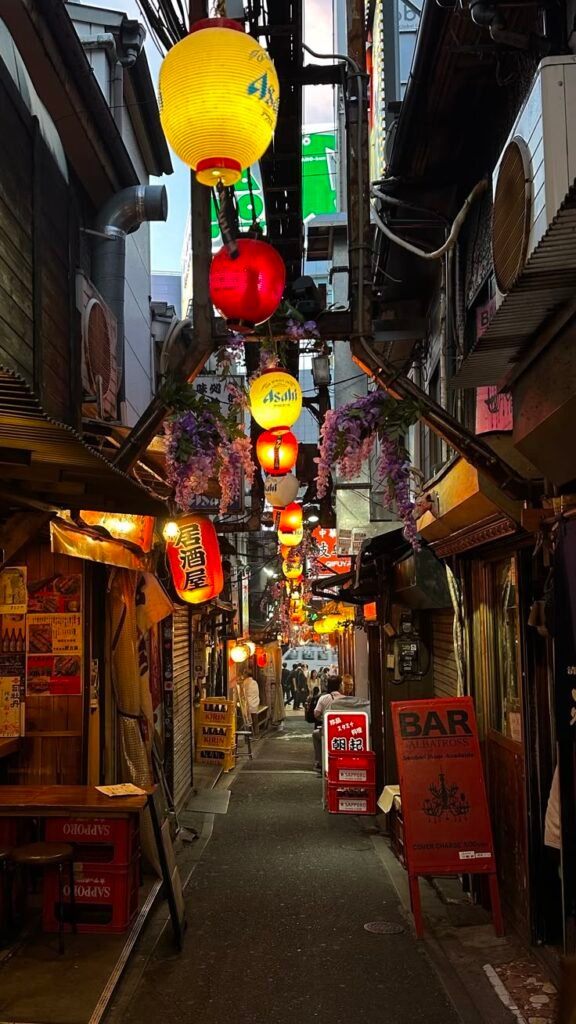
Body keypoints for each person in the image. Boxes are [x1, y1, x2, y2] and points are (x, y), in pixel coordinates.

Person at [312, 676, 342, 771]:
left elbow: (316, 714)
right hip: (342, 730)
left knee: (315, 734)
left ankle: (319, 762)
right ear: (340, 686)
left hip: (327, 731)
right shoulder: (345, 699)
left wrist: (323, 718)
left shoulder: (323, 698)